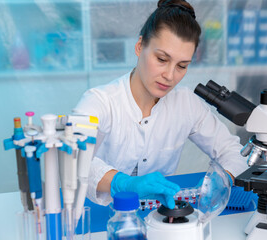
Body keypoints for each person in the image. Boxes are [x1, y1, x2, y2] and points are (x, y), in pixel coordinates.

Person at [73, 0, 247, 209]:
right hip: (97, 214)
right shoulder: (99, 101)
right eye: (162, 59)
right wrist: (122, 183)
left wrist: (223, 179)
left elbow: (232, 151)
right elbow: (73, 158)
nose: (170, 75)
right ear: (140, 47)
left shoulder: (186, 104)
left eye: (182, 66)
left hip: (159, 216)